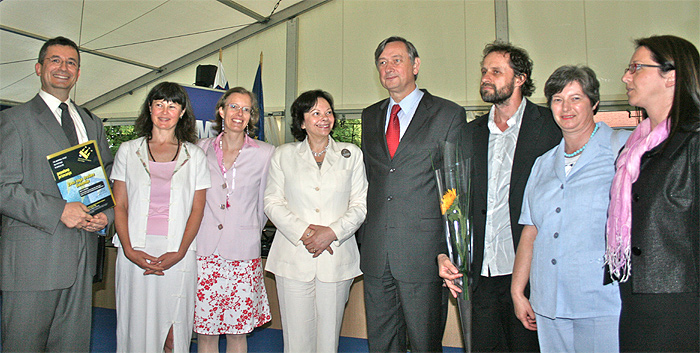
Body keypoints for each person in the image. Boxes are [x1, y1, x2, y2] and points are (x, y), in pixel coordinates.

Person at [438, 41, 561, 352]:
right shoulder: (468, 134)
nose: (486, 78)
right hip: (480, 274)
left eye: (496, 71)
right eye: (483, 71)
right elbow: (452, 202)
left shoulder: (550, 127)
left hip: (532, 274)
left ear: (520, 78)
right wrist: (446, 253)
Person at [0, 36, 114, 352]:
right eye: (55, 60)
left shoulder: (91, 122)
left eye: (71, 62)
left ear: (78, 73)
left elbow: (107, 178)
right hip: (32, 261)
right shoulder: (14, 120)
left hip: (82, 258)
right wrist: (59, 210)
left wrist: (107, 215)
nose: (63, 68)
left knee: (72, 346)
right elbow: (3, 188)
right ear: (39, 68)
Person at [510, 65, 628, 352]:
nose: (566, 107)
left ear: (594, 102)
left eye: (576, 98)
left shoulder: (621, 148)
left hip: (601, 300)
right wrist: (517, 290)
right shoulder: (542, 163)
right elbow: (532, 229)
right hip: (548, 301)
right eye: (558, 99)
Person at [360, 36, 466, 352]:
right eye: (382, 62)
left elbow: (454, 189)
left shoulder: (448, 114)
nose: (388, 68)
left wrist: (449, 250)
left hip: (424, 255)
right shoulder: (369, 116)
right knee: (381, 344)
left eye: (397, 60)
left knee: (424, 344)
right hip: (378, 254)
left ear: (415, 65)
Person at [605, 35, 700, 352]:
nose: (625, 77)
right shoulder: (635, 148)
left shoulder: (694, 141)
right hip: (635, 299)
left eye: (636, 67)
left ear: (671, 76)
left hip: (681, 305)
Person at [264, 90, 368, 353]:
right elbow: (272, 203)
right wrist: (306, 232)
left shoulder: (352, 154)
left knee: (328, 339)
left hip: (336, 258)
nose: (324, 118)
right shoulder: (283, 155)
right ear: (301, 122)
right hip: (293, 256)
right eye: (316, 113)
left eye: (328, 112)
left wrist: (331, 232)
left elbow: (360, 205)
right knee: (296, 340)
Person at [111, 82, 210, 353]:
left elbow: (197, 210)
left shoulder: (196, 155)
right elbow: (119, 205)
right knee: (135, 328)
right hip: (135, 252)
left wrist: (178, 252)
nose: (165, 111)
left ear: (182, 111)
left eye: (172, 104)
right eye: (159, 104)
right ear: (149, 109)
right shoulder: (128, 151)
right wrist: (130, 250)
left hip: (178, 253)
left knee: (173, 333)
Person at [194, 87, 274, 352]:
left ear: (252, 116)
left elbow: (265, 204)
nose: (239, 114)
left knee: (237, 332)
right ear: (221, 111)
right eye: (233, 107)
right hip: (204, 251)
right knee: (206, 333)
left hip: (242, 254)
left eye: (246, 109)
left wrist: (245, 229)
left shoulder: (266, 153)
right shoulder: (199, 149)